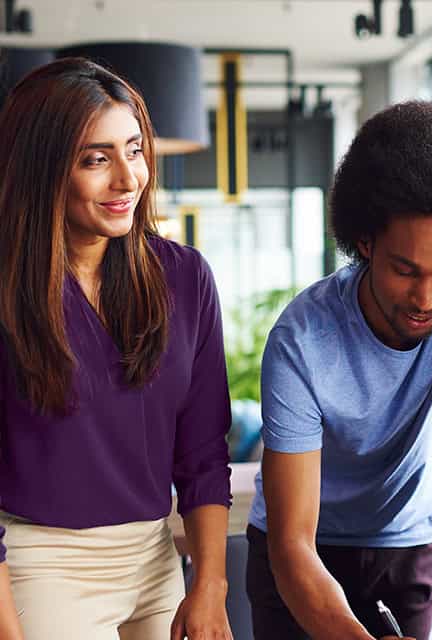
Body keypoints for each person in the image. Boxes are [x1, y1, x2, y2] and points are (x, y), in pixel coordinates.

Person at [244, 101, 432, 640]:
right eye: (405, 270)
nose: (427, 298)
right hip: (302, 549)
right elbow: (292, 544)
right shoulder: (300, 341)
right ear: (366, 243)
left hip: (406, 543)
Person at [0, 58, 234, 640]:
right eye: (95, 159)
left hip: (157, 560)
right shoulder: (7, 291)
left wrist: (210, 584)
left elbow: (204, 452)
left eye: (134, 150)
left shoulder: (184, 277)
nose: (128, 179)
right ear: (42, 169)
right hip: (40, 564)